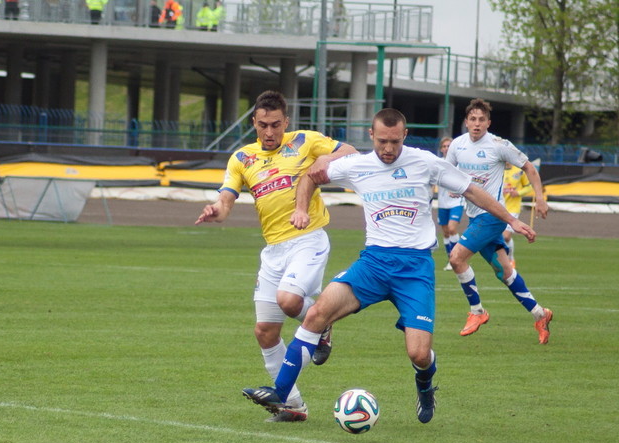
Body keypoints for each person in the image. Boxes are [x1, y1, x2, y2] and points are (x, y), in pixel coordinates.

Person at [242, 108, 536, 424]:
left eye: (395, 141)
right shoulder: (357, 165)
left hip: (415, 270)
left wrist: (511, 219)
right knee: (316, 314)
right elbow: (309, 177)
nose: (388, 148)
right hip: (374, 264)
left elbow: (472, 190)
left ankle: (425, 385)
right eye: (382, 141)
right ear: (372, 135)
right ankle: (281, 392)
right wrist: (301, 208)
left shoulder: (424, 162)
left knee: (419, 354)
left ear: (404, 136)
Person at [195, 90, 357, 422]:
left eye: (276, 125)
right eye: (263, 125)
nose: (269, 132)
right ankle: (294, 405)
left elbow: (351, 152)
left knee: (288, 300)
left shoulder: (305, 141)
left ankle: (322, 322)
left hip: (307, 240)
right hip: (273, 251)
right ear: (254, 123)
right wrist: (216, 210)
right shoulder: (242, 158)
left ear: (286, 122)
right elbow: (226, 202)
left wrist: (325, 160)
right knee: (265, 331)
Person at [445, 98, 553, 343]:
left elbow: (529, 168)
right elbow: (447, 171)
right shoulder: (457, 145)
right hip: (475, 217)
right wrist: (451, 187)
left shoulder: (498, 145)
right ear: (466, 121)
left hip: (492, 217)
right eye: (473, 119)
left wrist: (540, 198)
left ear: (488, 123)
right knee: (504, 272)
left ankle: (477, 312)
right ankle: (540, 314)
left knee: (456, 258)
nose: (477, 123)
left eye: (481, 119)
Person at [434, 136, 462, 271]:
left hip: (456, 202)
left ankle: (457, 257)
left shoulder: (459, 164)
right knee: (445, 233)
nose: (446, 148)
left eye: (449, 146)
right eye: (444, 146)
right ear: (441, 149)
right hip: (442, 202)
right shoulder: (438, 163)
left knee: (452, 229)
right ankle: (450, 259)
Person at [502, 161, 536, 266]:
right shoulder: (497, 170)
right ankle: (503, 259)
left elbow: (529, 187)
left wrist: (518, 193)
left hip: (513, 208)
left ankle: (510, 259)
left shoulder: (519, 172)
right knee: (499, 236)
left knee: (506, 236)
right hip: (498, 207)